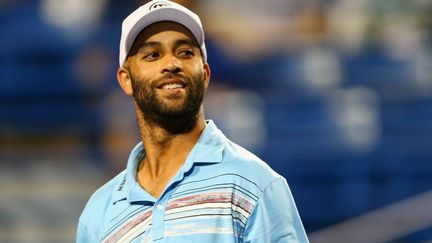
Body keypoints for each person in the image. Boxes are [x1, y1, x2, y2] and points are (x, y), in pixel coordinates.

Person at [76, 0, 309, 242]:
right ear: (126, 80)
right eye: (153, 54)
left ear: (206, 74)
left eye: (185, 52)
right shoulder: (97, 214)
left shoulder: (256, 185)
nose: (171, 64)